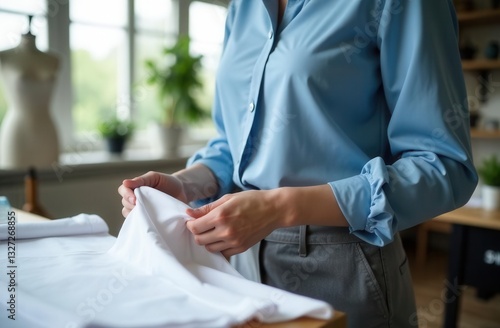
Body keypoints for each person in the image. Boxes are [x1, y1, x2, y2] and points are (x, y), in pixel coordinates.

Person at [119, 0, 478, 327]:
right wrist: (185, 184)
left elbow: (443, 165)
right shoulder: (243, 9)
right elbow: (233, 143)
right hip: (240, 264)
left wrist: (280, 207)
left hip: (344, 264)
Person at [0, 24, 60, 169]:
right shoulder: (5, 57)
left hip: (47, 132)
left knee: (51, 186)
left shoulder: (54, 59)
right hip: (17, 133)